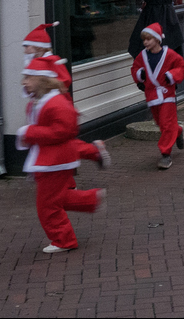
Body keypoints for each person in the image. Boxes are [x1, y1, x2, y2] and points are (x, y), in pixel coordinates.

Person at [17, 56, 105, 253]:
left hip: (55, 161)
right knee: (56, 199)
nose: (24, 82)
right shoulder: (38, 102)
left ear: (41, 79)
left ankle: (63, 240)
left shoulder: (56, 103)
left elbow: (63, 131)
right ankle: (91, 199)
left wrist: (28, 133)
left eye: (28, 78)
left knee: (47, 205)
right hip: (49, 160)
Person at [22, 23, 109, 168]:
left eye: (27, 46)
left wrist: (48, 87)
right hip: (42, 107)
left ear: (38, 46)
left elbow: (65, 80)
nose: (25, 50)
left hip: (55, 108)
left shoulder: (53, 61)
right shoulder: (34, 62)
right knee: (51, 141)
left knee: (63, 142)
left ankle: (92, 153)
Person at [130, 23, 184, 169]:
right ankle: (179, 131)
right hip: (151, 95)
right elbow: (135, 68)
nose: (145, 42)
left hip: (166, 94)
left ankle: (165, 154)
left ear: (157, 39)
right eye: (144, 40)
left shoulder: (169, 54)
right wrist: (139, 76)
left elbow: (181, 66)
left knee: (167, 123)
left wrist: (172, 76)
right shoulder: (142, 56)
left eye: (148, 39)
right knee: (162, 124)